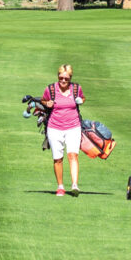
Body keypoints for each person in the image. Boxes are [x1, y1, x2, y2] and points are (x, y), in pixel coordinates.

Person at [40, 63, 87, 196]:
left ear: (70, 78)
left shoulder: (76, 88)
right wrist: (47, 103)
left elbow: (83, 98)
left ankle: (74, 185)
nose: (63, 81)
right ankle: (60, 186)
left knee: (73, 155)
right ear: (58, 76)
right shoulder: (50, 89)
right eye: (61, 78)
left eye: (66, 78)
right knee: (58, 158)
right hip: (54, 127)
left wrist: (81, 101)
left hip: (73, 126)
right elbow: (43, 100)